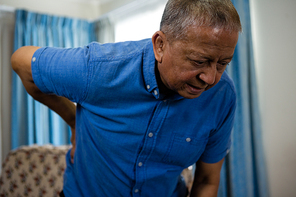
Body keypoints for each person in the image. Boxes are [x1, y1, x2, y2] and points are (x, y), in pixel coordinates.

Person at [11, 0, 241, 196]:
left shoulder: (222, 96)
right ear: (160, 45)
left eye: (223, 63)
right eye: (199, 61)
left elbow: (206, 181)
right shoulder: (98, 67)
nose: (211, 78)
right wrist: (73, 121)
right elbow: (21, 61)